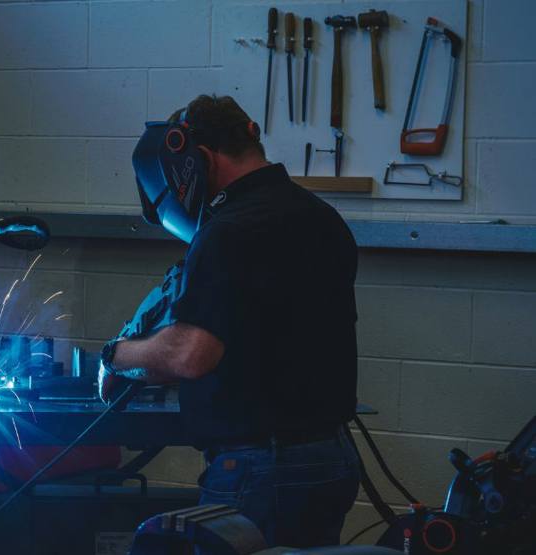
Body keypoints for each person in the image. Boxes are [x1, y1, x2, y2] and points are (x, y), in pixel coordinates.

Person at [98, 95, 361, 548]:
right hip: (329, 459)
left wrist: (116, 356)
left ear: (195, 159)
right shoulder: (322, 217)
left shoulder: (227, 230)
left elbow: (190, 354)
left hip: (262, 467)